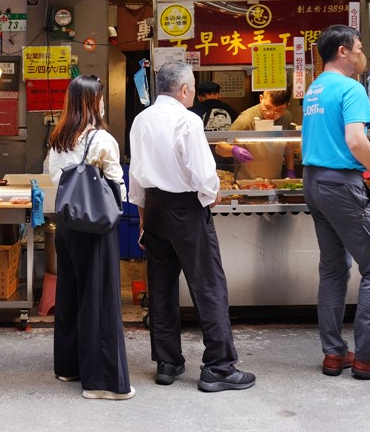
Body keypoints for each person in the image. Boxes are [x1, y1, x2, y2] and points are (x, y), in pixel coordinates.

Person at [128, 60, 256, 393]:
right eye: (193, 88)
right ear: (184, 89)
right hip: (186, 208)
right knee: (209, 285)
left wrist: (143, 219)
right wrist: (209, 196)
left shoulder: (141, 120)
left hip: (153, 209)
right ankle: (219, 367)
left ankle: (167, 362)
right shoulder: (187, 120)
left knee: (161, 288)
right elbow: (204, 173)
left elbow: (136, 176)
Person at [301, 25, 370, 380]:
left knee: (333, 268)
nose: (363, 55)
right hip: (342, 186)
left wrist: (367, 159)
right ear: (344, 52)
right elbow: (354, 140)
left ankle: (334, 353)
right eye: (360, 48)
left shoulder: (315, 89)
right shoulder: (350, 88)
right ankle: (369, 357)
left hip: (314, 181)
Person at [46, 75, 133, 400]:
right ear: (94, 102)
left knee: (71, 296)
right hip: (96, 227)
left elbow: (55, 177)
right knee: (99, 300)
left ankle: (69, 367)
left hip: (68, 226)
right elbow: (116, 185)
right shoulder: (102, 139)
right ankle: (103, 382)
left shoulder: (58, 139)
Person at [214, 89, 297, 181]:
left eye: (279, 110)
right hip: (246, 183)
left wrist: (290, 170)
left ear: (287, 105)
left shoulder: (286, 117)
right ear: (261, 98)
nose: (271, 114)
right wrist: (233, 150)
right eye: (268, 107)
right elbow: (219, 148)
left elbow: (289, 145)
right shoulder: (246, 119)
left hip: (275, 181)